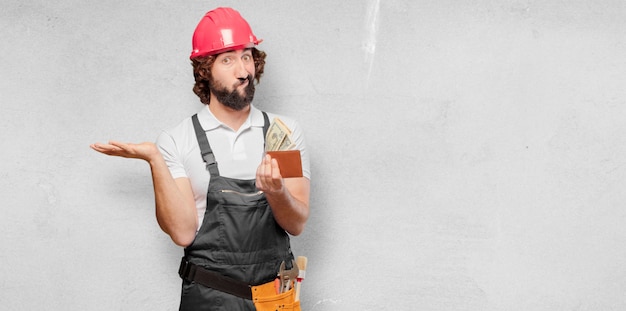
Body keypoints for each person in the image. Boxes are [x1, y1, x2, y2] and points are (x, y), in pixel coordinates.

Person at [90, 7, 310, 310]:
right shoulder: (178, 140)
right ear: (205, 69)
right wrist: (155, 159)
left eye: (247, 56)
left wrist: (277, 192)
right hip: (208, 300)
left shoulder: (282, 133)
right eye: (228, 59)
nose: (243, 71)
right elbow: (182, 233)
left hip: (273, 300)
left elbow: (296, 223)